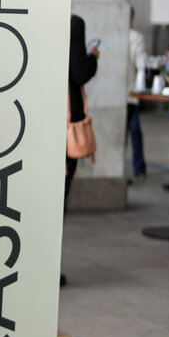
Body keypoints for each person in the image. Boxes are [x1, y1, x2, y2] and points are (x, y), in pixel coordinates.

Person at [66, 12, 98, 201]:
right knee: (61, 187)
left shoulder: (35, 18)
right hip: (67, 117)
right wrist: (93, 57)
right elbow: (79, 73)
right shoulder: (74, 23)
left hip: (36, 114)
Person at [126, 8, 147, 180]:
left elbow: (141, 65)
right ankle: (137, 168)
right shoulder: (116, 34)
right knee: (132, 131)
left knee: (134, 130)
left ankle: (139, 167)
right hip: (124, 92)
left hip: (129, 91)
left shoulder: (135, 37)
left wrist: (138, 90)